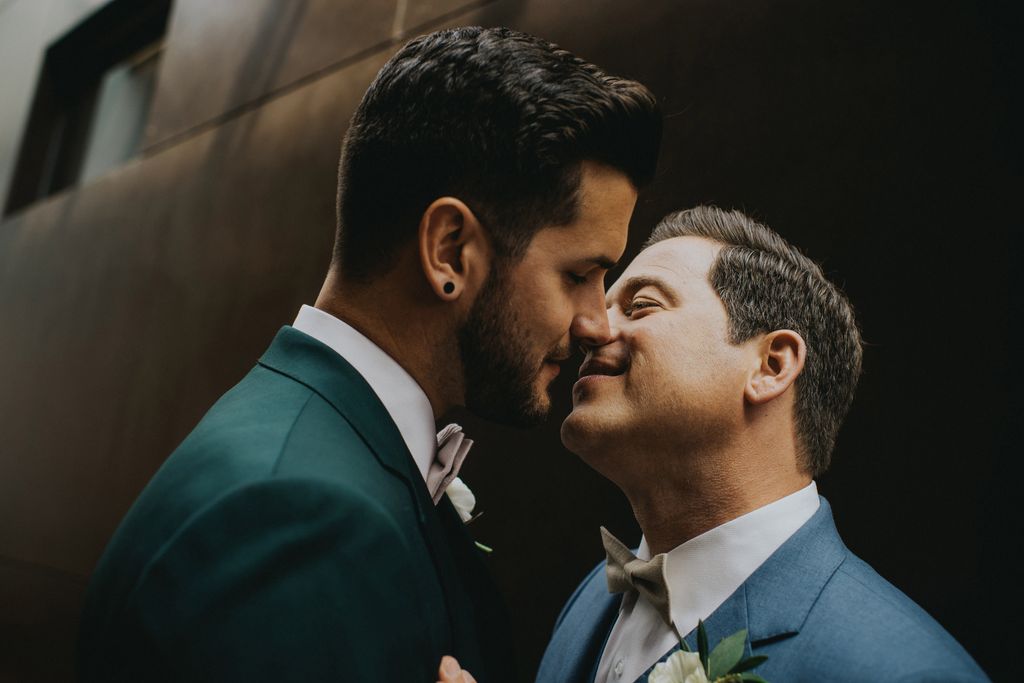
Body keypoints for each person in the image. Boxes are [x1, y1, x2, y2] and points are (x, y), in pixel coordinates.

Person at [77, 26, 660, 682]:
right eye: (580, 273)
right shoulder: (299, 521)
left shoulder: (324, 456)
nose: (596, 321)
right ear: (448, 250)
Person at [440, 206, 988, 682]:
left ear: (770, 366)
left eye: (641, 305)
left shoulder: (900, 672)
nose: (589, 328)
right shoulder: (593, 601)